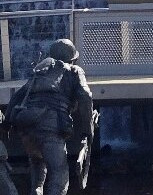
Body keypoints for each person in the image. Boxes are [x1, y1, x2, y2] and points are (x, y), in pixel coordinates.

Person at [9, 38, 94, 195]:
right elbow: (86, 96)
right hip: (50, 127)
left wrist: (7, 126)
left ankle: (36, 191)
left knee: (38, 163)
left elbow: (15, 98)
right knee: (60, 174)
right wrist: (88, 129)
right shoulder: (74, 70)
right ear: (73, 59)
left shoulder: (39, 72)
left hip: (26, 126)